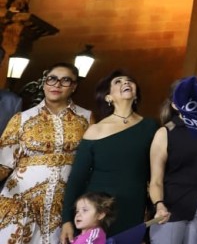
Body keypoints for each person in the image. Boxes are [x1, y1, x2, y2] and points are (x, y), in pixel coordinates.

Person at [61, 69, 161, 242]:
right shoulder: (95, 130)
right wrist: (67, 220)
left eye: (130, 80)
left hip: (132, 205)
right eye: (118, 82)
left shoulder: (151, 126)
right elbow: (76, 179)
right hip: (95, 210)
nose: (126, 83)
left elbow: (156, 173)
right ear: (108, 97)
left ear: (136, 94)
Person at [0, 62, 92, 244]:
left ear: (74, 86)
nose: (57, 85)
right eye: (52, 79)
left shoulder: (87, 118)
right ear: (44, 83)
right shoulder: (22, 118)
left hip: (64, 206)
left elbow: (93, 161)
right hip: (20, 203)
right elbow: (3, 162)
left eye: (65, 80)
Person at [148, 79, 197, 244]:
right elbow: (155, 180)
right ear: (175, 105)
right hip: (171, 210)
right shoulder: (165, 133)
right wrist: (159, 204)